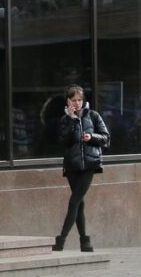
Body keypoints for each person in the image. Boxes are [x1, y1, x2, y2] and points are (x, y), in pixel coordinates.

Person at [52, 85, 110, 252]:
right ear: (68, 101)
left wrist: (91, 137)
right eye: (74, 100)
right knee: (80, 204)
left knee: (74, 201)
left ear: (83, 100)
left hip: (89, 165)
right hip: (72, 166)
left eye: (79, 100)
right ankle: (85, 241)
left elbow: (106, 137)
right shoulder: (65, 119)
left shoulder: (93, 116)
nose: (77, 103)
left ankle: (61, 239)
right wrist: (71, 120)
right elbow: (63, 142)